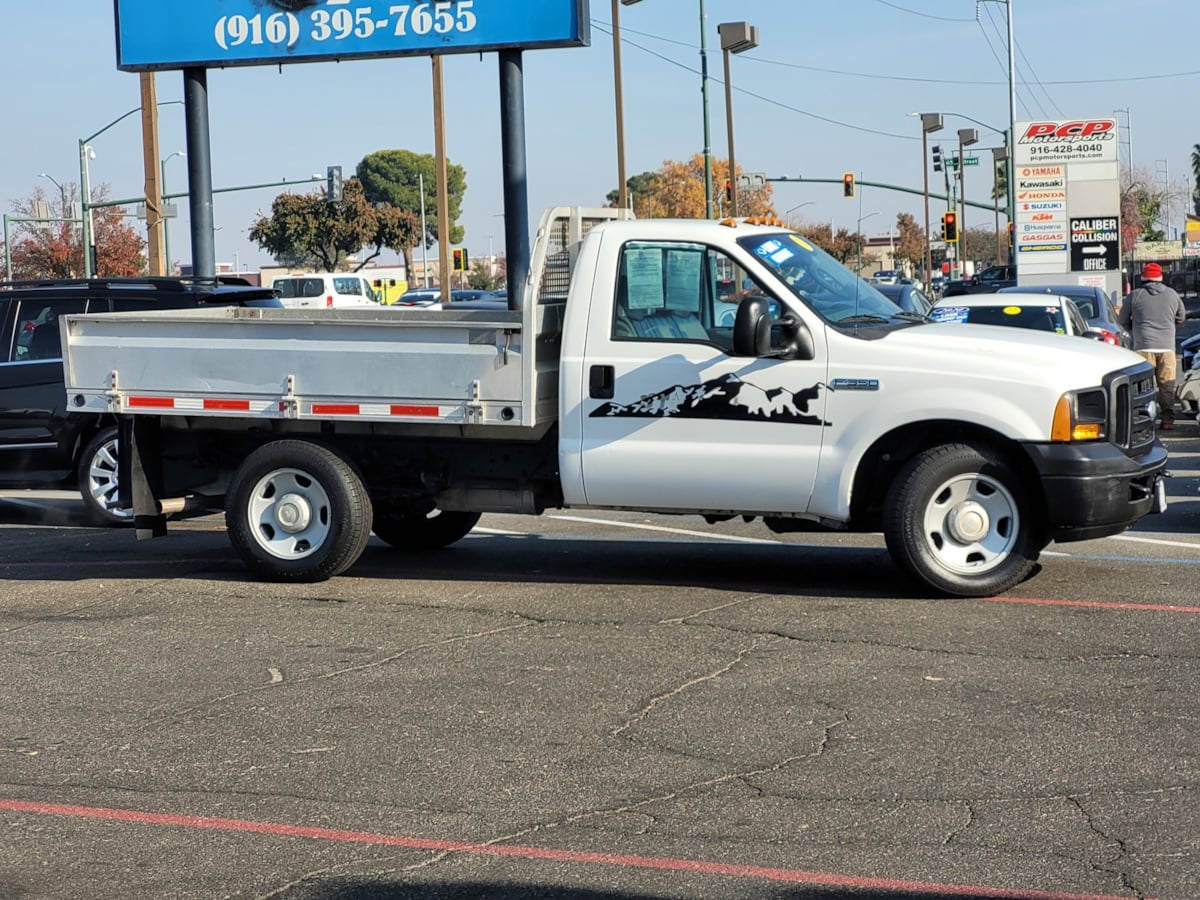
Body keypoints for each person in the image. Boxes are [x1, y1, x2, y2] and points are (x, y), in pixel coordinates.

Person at [1118, 262, 1187, 430]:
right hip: (1167, 347)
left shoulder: (1134, 295)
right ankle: (1167, 420)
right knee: (1167, 386)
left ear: (1143, 277)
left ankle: (1144, 420)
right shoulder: (1172, 295)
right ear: (1160, 277)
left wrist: (1136, 329)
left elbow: (1122, 321)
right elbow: (1181, 318)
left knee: (1143, 387)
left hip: (1143, 347)